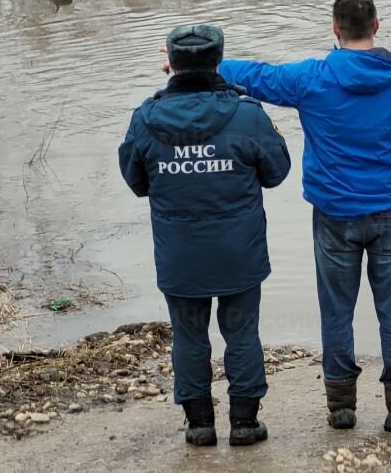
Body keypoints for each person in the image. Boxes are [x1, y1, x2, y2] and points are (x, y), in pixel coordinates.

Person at [215, 0, 391, 435]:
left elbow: (255, 75)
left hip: (334, 216)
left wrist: (203, 66)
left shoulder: (311, 78)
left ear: (335, 28)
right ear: (376, 25)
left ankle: (341, 408)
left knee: (336, 310)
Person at [119, 24, 291, 447]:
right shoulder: (248, 114)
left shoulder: (145, 119)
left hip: (180, 255)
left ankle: (199, 426)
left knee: (189, 336)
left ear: (171, 65)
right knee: (242, 333)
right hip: (239, 252)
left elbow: (136, 181)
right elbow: (277, 172)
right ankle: (245, 424)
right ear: (218, 60)